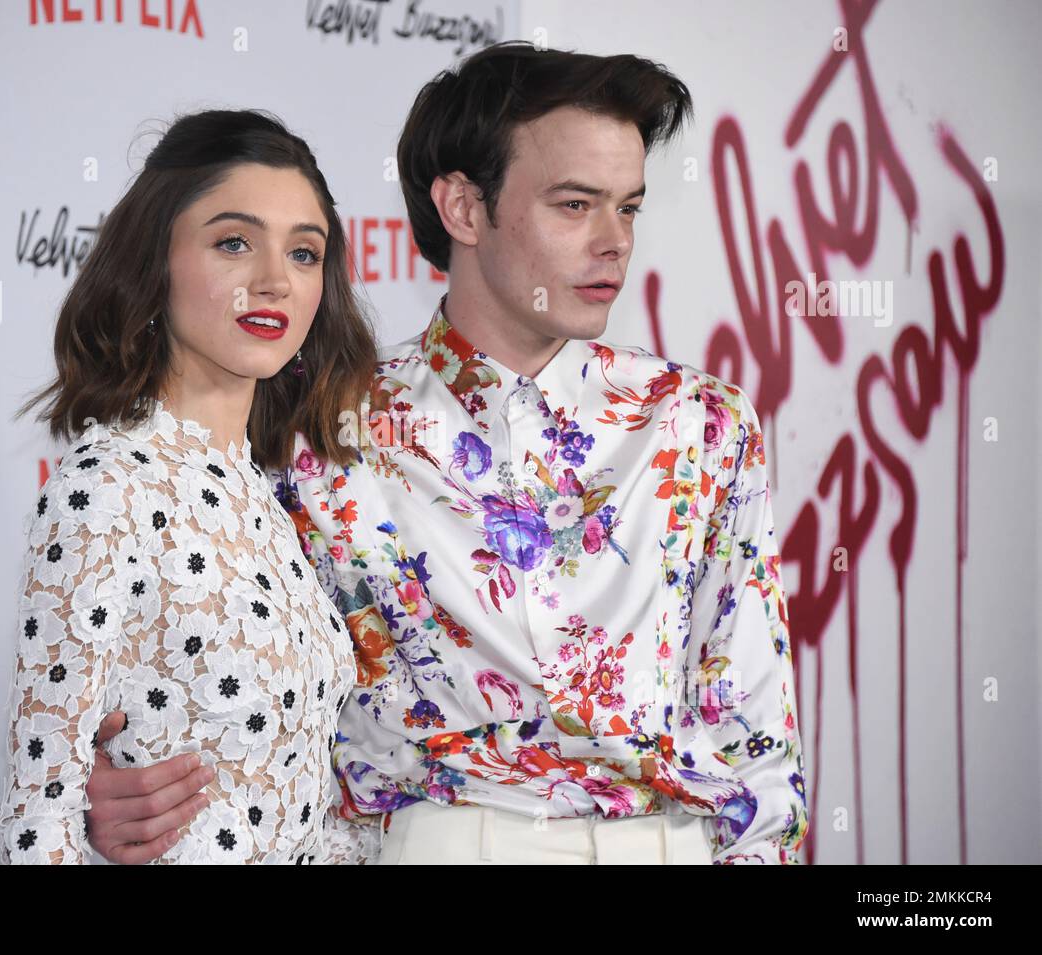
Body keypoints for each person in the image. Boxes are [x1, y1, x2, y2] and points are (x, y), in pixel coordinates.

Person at [84, 41, 811, 865]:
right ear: (463, 209)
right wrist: (110, 785)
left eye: (630, 207)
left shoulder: (703, 425)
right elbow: (229, 690)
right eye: (575, 205)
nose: (614, 241)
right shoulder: (315, 432)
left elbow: (754, 729)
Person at [0, 108, 382, 864]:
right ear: (156, 259)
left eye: (305, 253)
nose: (274, 280)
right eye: (233, 242)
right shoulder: (107, 489)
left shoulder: (264, 498)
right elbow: (37, 824)